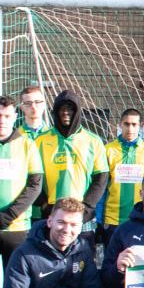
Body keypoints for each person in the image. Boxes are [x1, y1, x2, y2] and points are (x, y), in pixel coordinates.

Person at [34, 90, 108, 246]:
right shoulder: (41, 140)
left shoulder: (93, 141)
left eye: (70, 108)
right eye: (61, 108)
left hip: (82, 215)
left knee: (82, 263)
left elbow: (101, 178)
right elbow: (33, 177)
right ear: (55, 111)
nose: (66, 112)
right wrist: (44, 204)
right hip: (52, 214)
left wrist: (87, 208)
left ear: (78, 111)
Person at [101, 108, 144, 243]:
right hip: (113, 217)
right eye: (126, 124)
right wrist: (99, 218)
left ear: (141, 126)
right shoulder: (108, 150)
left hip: (140, 217)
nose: (130, 128)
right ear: (120, 125)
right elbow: (102, 186)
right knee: (112, 261)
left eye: (134, 124)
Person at [0, 95, 42, 264]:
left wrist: (8, 215)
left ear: (15, 117)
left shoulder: (27, 145)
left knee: (16, 284)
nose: (2, 121)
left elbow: (35, 185)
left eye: (7, 116)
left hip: (16, 227)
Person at [18, 86, 49, 226]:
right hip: (22, 209)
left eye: (38, 102)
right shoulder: (15, 137)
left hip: (50, 207)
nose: (33, 107)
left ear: (45, 104)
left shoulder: (56, 136)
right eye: (28, 103)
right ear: (21, 107)